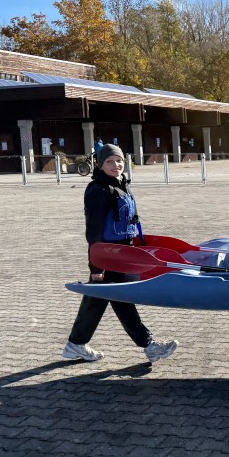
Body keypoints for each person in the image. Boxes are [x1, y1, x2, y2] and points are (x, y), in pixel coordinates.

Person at [63, 143, 179, 364]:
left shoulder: (121, 184)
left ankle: (75, 344)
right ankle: (149, 346)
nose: (115, 165)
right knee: (120, 298)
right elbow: (94, 230)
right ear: (100, 164)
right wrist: (96, 266)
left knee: (100, 298)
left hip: (123, 252)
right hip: (109, 254)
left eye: (119, 160)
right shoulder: (98, 190)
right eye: (109, 161)